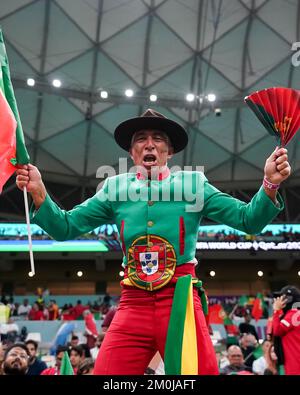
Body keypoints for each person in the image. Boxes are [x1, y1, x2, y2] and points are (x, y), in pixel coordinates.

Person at [16, 109, 291, 375]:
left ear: (169, 151)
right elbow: (65, 227)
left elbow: (248, 220)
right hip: (132, 302)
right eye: (140, 139)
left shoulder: (193, 184)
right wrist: (39, 191)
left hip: (180, 300)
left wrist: (270, 182)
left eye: (157, 138)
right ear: (132, 151)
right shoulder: (114, 188)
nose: (149, 144)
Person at [271, 285, 300, 375]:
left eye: (281, 298)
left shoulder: (294, 314)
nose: (278, 301)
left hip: (295, 363)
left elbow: (277, 331)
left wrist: (276, 311)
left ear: (288, 300)